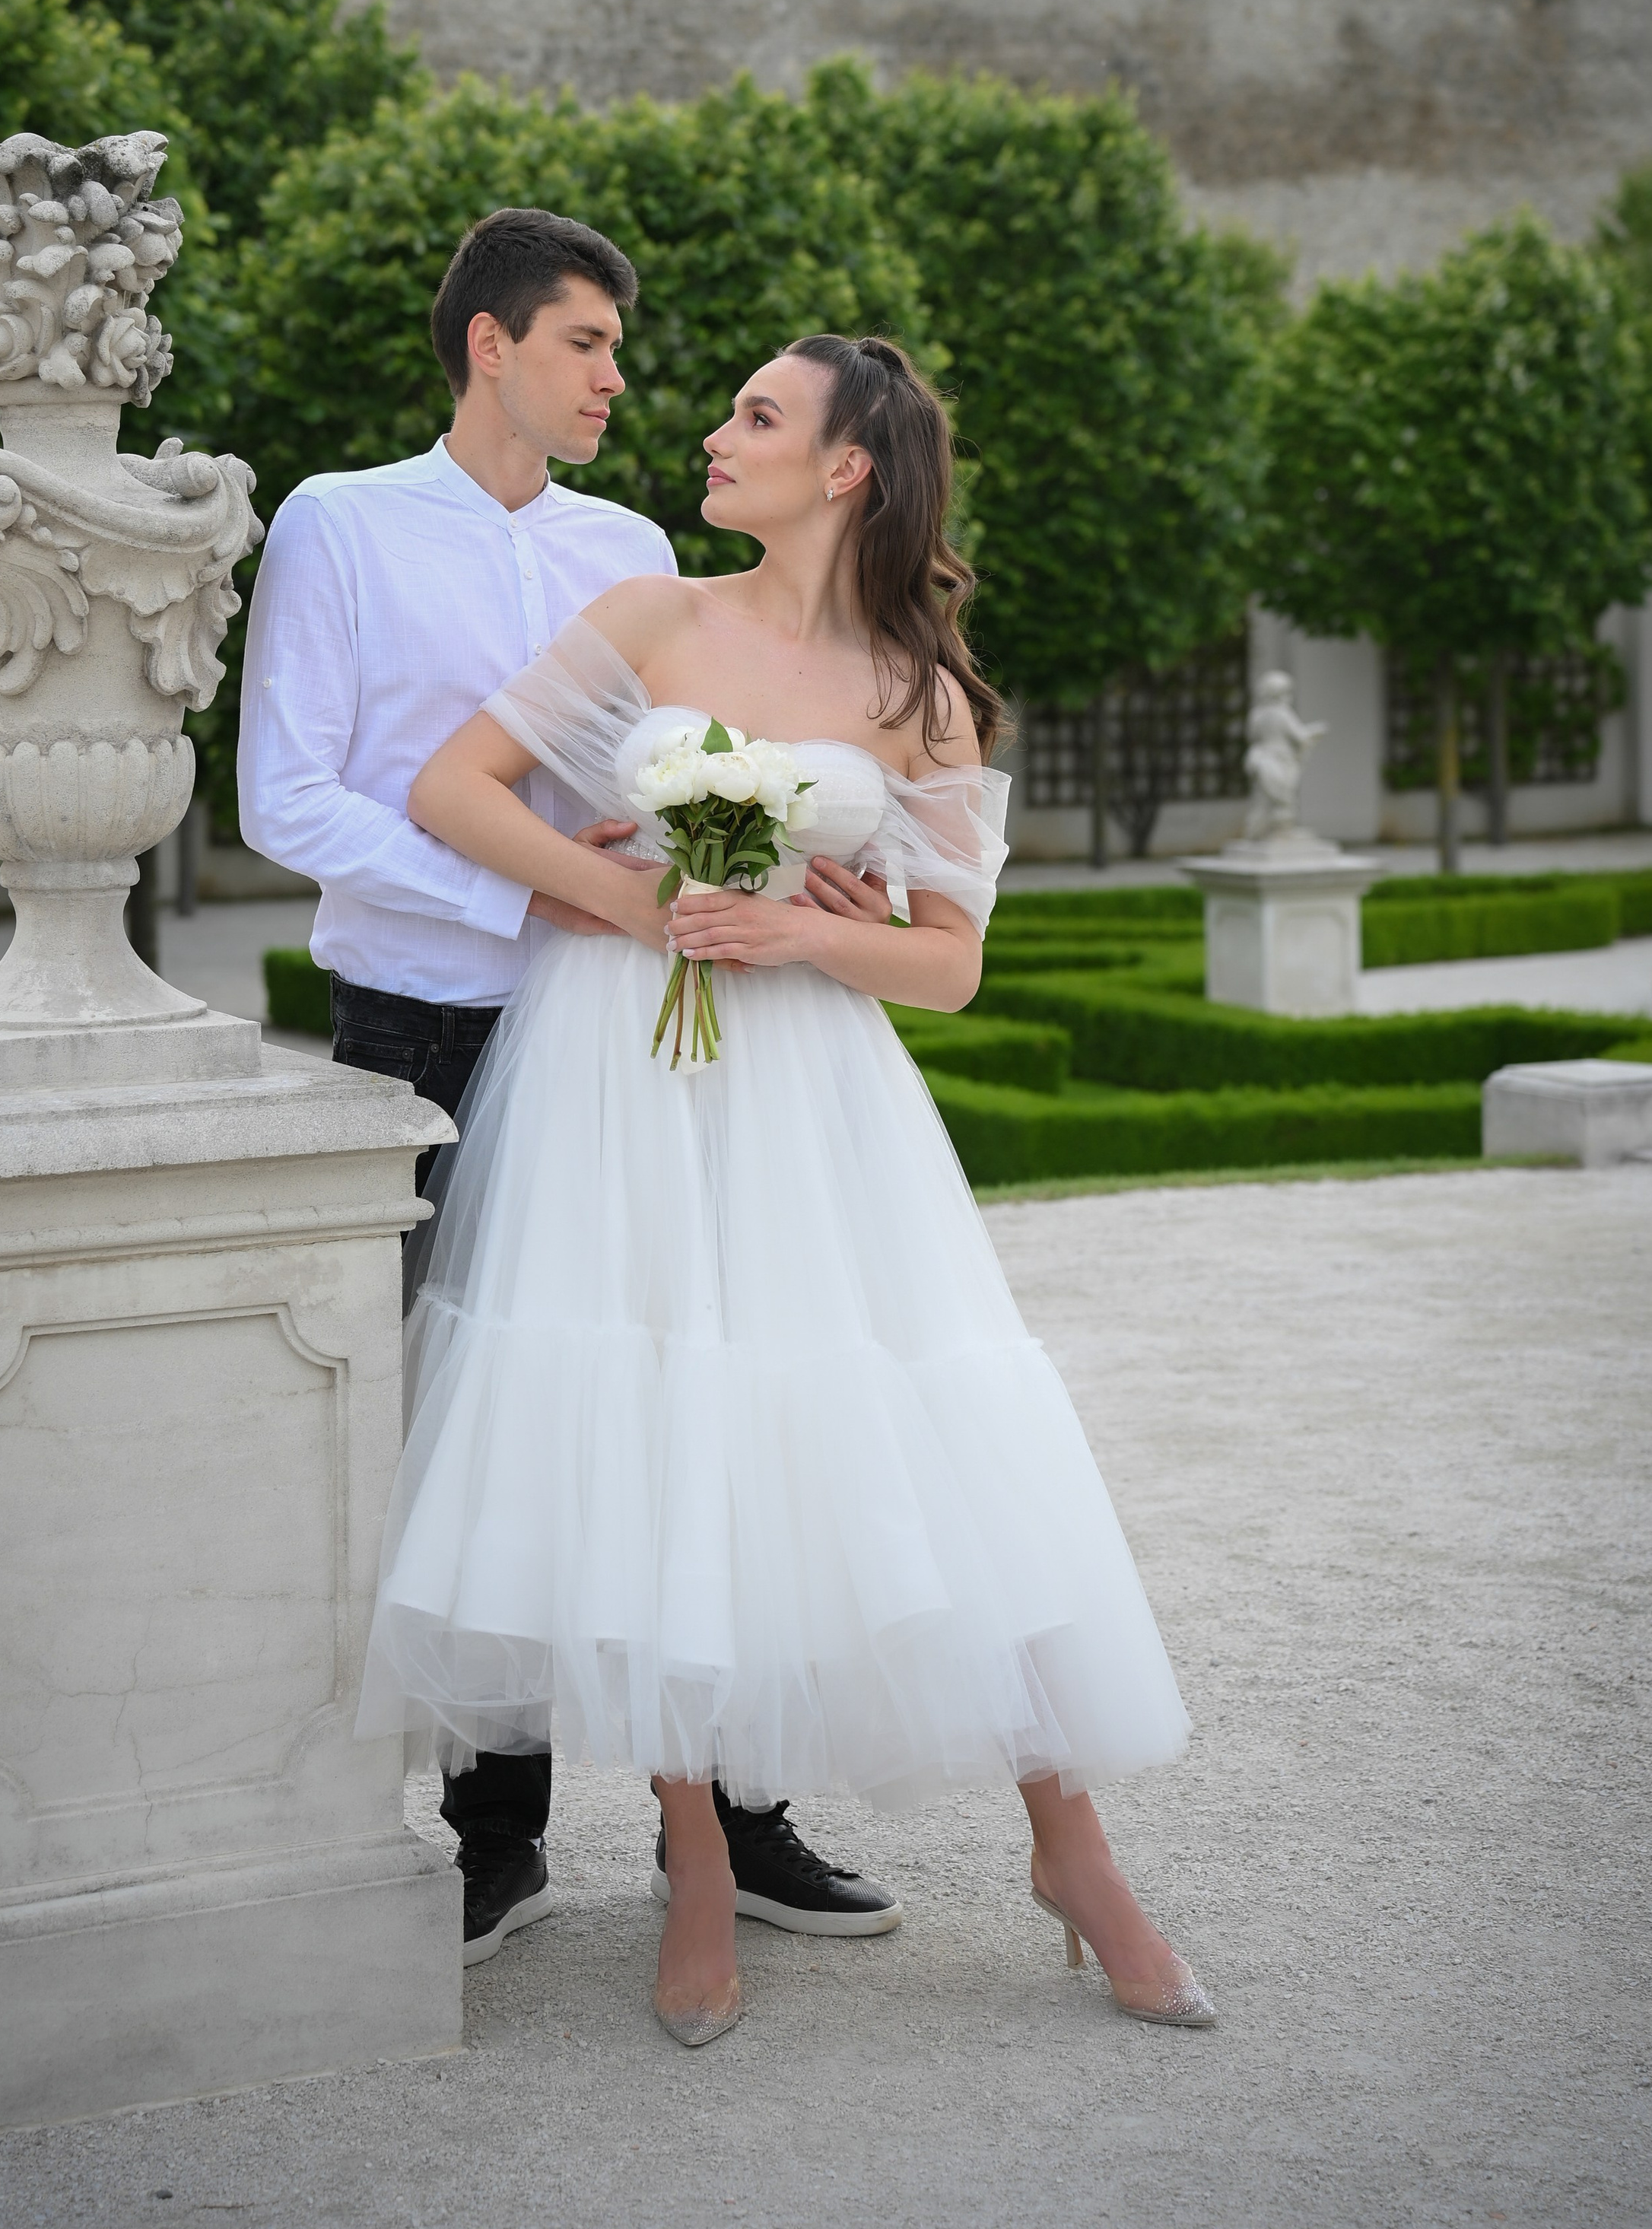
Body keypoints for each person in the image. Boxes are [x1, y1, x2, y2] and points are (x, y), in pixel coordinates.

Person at [354, 332, 1213, 2047]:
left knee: (936, 1438)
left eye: (755, 412)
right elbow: (453, 789)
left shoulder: (927, 691)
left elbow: (950, 964)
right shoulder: (655, 617)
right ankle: (689, 1854)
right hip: (618, 1072)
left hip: (814, 1099)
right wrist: (631, 903)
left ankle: (1075, 1848)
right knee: (664, 1426)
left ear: (846, 467)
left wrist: (794, 926)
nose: (709, 428)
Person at [239, 210, 903, 1967]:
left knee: (709, 1399)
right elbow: (284, 798)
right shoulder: (341, 522)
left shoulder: (636, 551)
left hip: (636, 1035)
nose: (620, 377)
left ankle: (742, 1812)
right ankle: (494, 1832)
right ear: (490, 344)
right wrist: (523, 885)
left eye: (619, 347)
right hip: (429, 1020)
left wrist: (803, 886)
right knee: (489, 1426)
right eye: (589, 343)